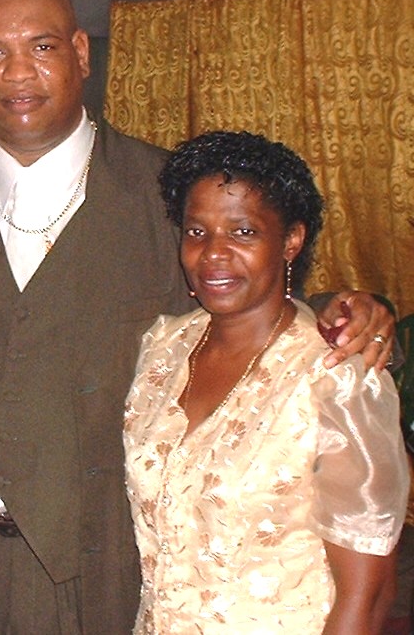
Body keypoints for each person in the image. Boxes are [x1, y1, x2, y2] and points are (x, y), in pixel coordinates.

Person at [0, 0, 396, 633]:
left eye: (41, 47)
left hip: (105, 575)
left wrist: (350, 308)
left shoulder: (168, 193)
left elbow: (242, 300)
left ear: (82, 54)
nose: (18, 73)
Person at [124, 131, 409, 632]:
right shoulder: (161, 350)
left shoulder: (337, 375)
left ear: (291, 240)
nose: (213, 253)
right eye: (197, 232)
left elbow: (367, 596)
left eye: (243, 232)